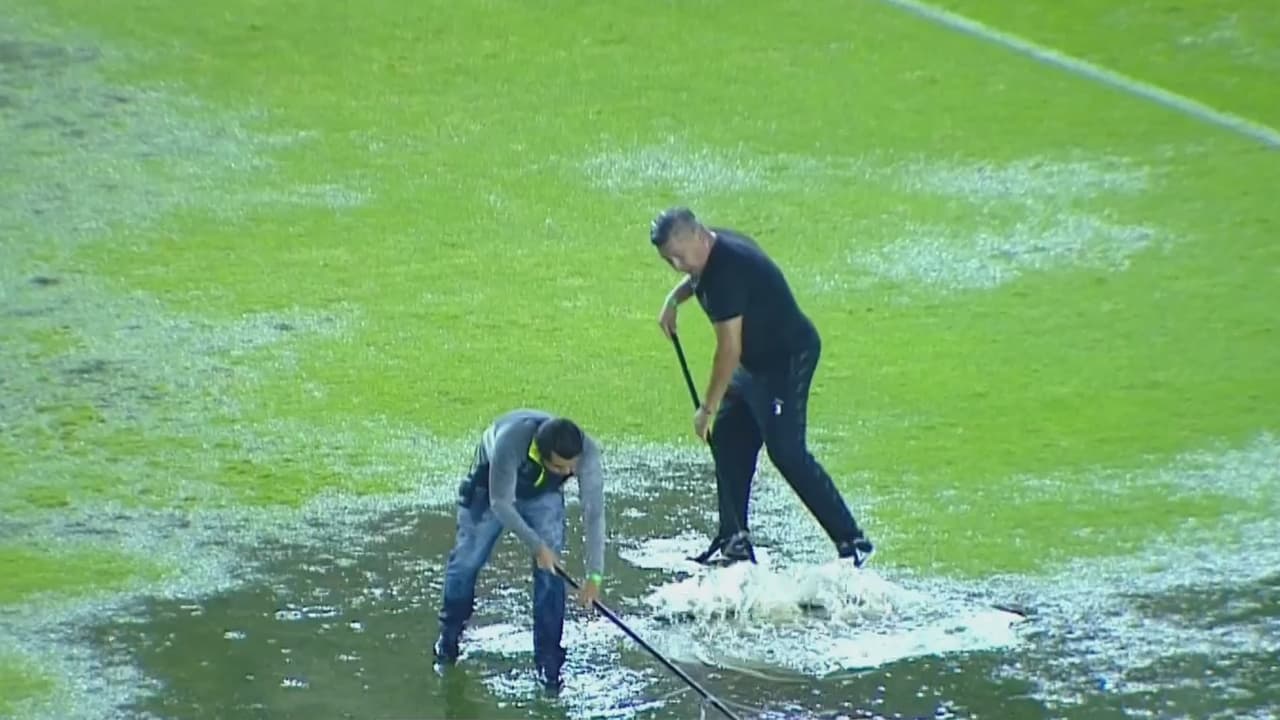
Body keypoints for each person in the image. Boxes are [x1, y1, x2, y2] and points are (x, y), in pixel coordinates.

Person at [649, 206, 874, 567]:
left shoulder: (727, 271)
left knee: (786, 452)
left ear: (696, 235)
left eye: (678, 255)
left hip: (785, 361)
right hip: (753, 363)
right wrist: (673, 300)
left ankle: (852, 540)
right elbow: (696, 280)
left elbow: (728, 349)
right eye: (668, 259)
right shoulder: (711, 248)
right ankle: (733, 537)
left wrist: (706, 409)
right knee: (729, 438)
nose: (676, 265)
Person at [432, 408, 606, 693]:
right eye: (561, 468)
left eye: (572, 467)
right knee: (466, 563)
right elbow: (501, 503)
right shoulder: (511, 442)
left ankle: (549, 663)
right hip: (489, 490)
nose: (569, 473)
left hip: (542, 495)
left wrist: (595, 575)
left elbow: (594, 512)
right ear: (541, 452)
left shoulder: (586, 454)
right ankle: (449, 636)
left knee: (552, 574)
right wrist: (537, 546)